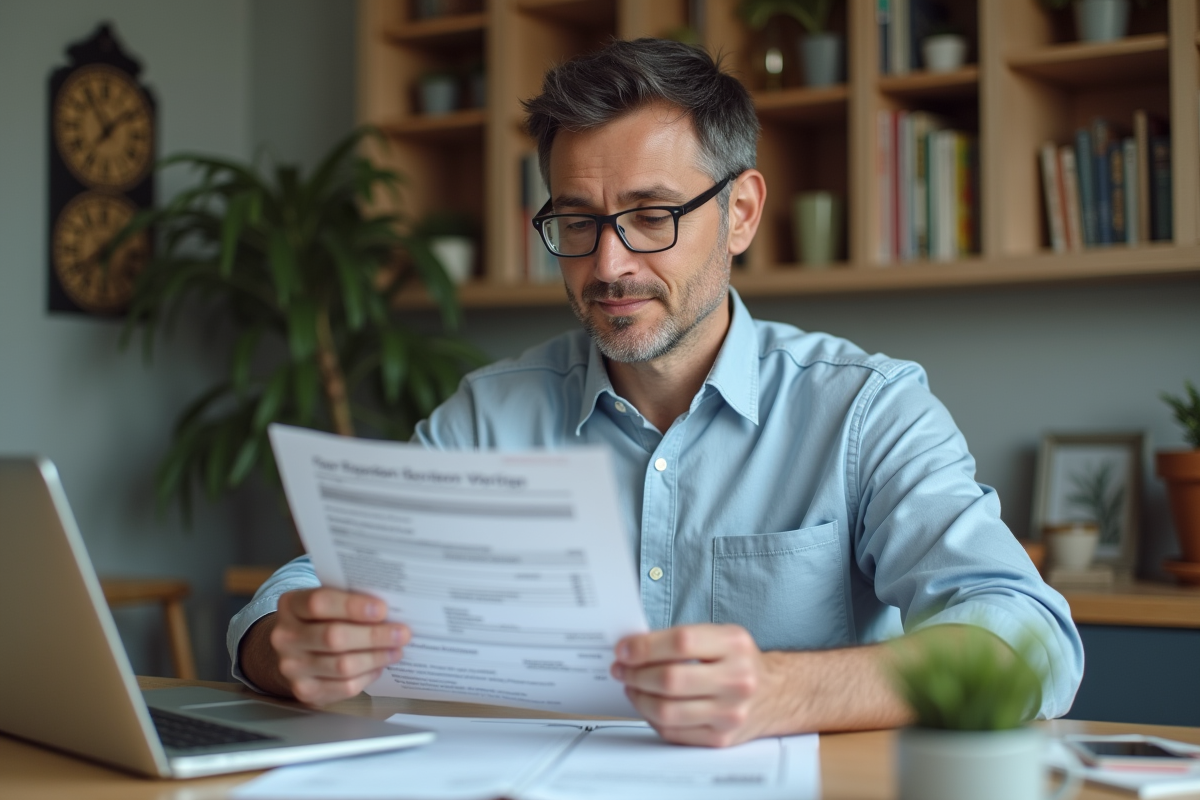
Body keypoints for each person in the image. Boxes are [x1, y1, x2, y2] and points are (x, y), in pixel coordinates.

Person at [230, 38, 1082, 747]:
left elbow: (1029, 637)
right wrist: (283, 646)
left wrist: (786, 690)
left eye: (651, 216)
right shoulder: (489, 414)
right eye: (577, 221)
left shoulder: (866, 411)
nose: (609, 265)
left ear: (741, 212)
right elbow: (307, 589)